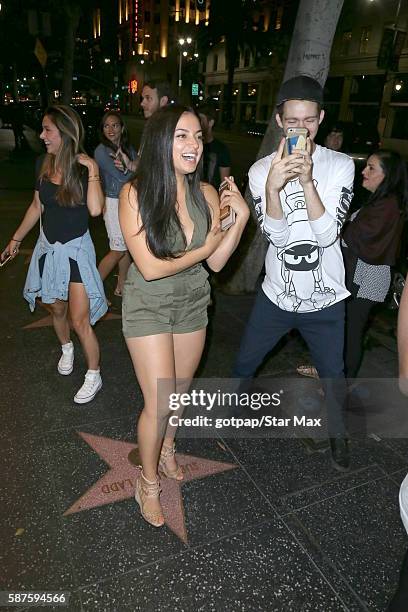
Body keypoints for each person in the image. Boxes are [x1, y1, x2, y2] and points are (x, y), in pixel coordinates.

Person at [119, 105, 249, 527]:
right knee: (158, 401)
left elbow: (215, 264)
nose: (193, 144)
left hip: (194, 300)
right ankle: (149, 481)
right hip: (149, 303)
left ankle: (169, 447)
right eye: (181, 136)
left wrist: (240, 221)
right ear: (161, 141)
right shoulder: (134, 193)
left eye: (197, 136)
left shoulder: (207, 193)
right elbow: (152, 267)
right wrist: (208, 246)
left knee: (179, 393)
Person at [231, 75, 355, 470]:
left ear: (320, 118)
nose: (300, 129)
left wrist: (305, 181)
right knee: (246, 360)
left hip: (326, 299)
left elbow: (327, 235)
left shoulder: (340, 166)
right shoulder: (259, 170)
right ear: (278, 120)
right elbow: (279, 238)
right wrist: (271, 190)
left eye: (309, 121)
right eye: (292, 121)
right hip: (277, 295)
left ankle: (338, 436)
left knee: (333, 374)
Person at [1, 105, 107, 404]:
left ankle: (94, 375)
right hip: (49, 247)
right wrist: (16, 239)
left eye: (48, 130)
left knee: (80, 319)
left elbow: (97, 210)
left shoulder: (83, 168)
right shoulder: (43, 164)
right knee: (54, 308)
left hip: (76, 251)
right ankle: (66, 348)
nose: (42, 135)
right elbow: (38, 206)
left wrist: (95, 171)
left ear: (65, 132)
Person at [342, 150, 407, 379]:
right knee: (347, 327)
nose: (364, 171)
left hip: (367, 277)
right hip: (363, 274)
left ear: (387, 175)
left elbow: (361, 237)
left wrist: (340, 224)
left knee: (351, 331)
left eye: (371, 168)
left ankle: (341, 382)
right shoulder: (381, 200)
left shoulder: (387, 205)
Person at [94, 111, 137, 297]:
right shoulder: (101, 151)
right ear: (102, 130)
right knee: (117, 249)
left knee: (125, 247)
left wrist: (133, 166)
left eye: (115, 125)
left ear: (122, 128)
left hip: (128, 200)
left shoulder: (129, 148)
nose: (111, 129)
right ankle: (90, 289)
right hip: (113, 201)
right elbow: (122, 177)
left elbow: (137, 169)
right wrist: (133, 168)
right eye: (106, 126)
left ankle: (122, 286)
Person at [198, 104, 231, 190]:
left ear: (211, 123)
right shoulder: (193, 146)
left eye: (201, 120)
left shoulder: (221, 149)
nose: (198, 123)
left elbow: (224, 184)